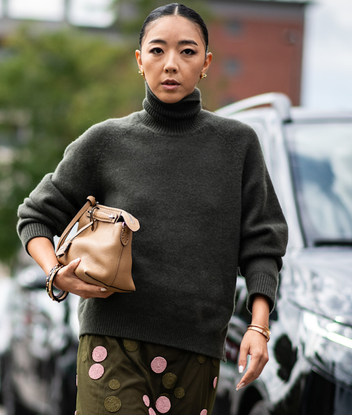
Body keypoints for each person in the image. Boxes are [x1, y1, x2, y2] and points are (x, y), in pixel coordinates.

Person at [17, 3, 288, 414]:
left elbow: (262, 244)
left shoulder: (238, 145)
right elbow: (35, 216)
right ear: (139, 60)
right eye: (158, 50)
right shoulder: (106, 141)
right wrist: (57, 273)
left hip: (197, 349)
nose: (171, 64)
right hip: (111, 342)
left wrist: (258, 326)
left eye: (187, 51)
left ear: (207, 63)